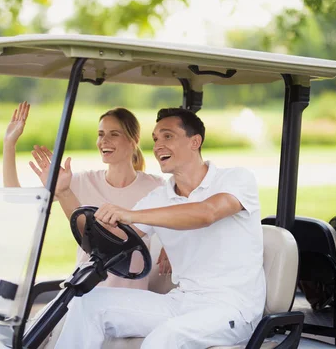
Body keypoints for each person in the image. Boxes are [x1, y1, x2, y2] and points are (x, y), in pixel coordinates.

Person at [54, 108, 266, 349]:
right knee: (87, 303)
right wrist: (64, 193)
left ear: (195, 141)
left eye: (167, 137)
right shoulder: (159, 197)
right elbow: (111, 241)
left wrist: (130, 214)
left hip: (233, 308)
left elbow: (207, 213)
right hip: (183, 301)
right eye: (155, 139)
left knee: (165, 336)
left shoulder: (236, 179)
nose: (158, 146)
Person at [3, 102, 170, 289]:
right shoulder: (79, 181)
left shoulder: (156, 186)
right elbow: (15, 198)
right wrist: (9, 144)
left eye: (114, 134)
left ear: (134, 139)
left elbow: (182, 217)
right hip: (86, 290)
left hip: (131, 296)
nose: (103, 141)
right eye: (100, 134)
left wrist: (171, 246)